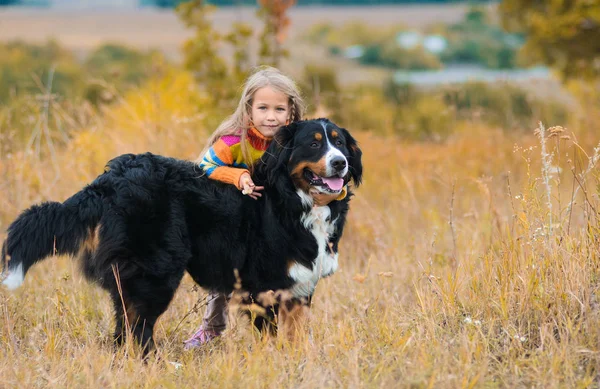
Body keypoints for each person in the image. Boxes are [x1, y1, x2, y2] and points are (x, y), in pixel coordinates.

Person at [183, 66, 345, 349]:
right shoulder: (235, 141)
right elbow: (205, 166)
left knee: (296, 271)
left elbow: (319, 179)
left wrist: (336, 194)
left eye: (279, 109)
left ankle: (295, 330)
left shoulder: (296, 140)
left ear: (291, 112)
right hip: (236, 218)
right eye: (263, 108)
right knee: (227, 281)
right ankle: (211, 327)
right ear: (248, 110)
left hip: (276, 223)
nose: (271, 116)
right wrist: (239, 176)